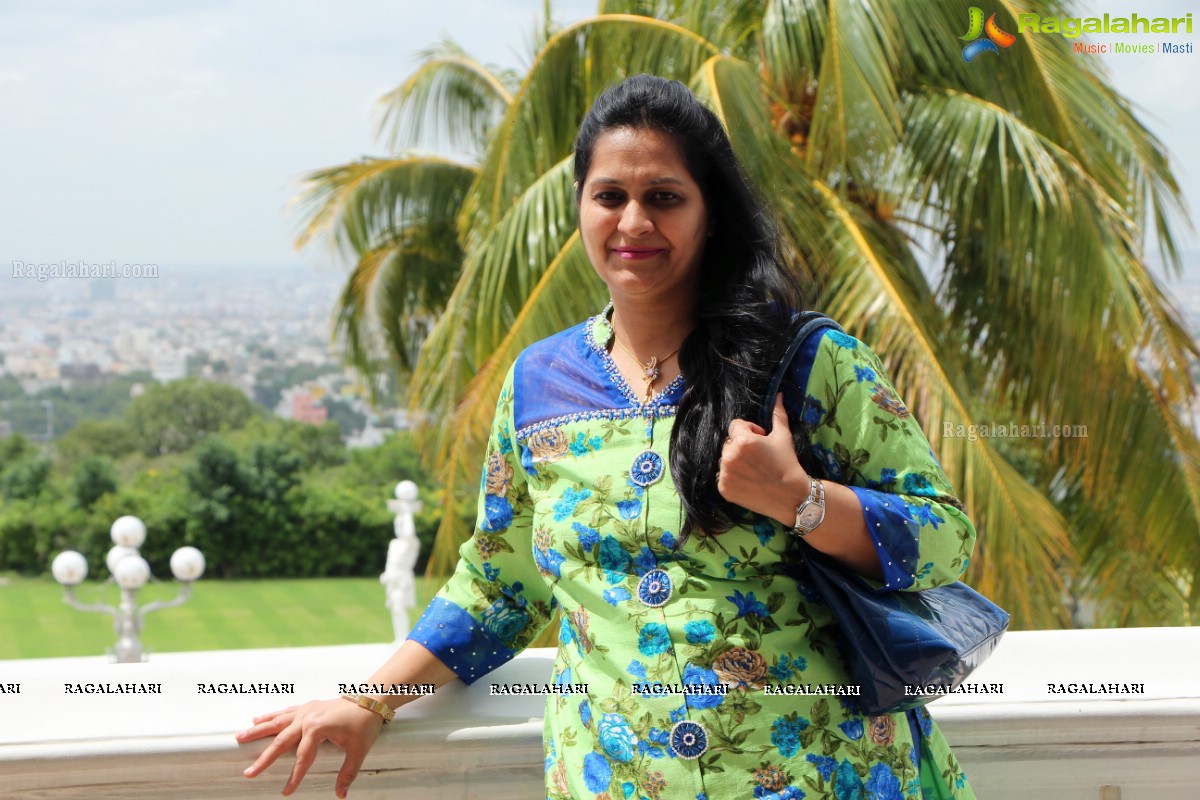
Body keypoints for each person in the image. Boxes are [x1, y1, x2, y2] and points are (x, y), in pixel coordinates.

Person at [238, 74, 978, 800]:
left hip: (824, 773)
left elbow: (945, 539)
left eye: (664, 198)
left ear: (709, 212)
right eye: (610, 197)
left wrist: (801, 500)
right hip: (615, 781)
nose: (633, 224)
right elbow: (501, 579)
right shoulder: (539, 383)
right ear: (581, 208)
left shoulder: (809, 362)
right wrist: (369, 701)